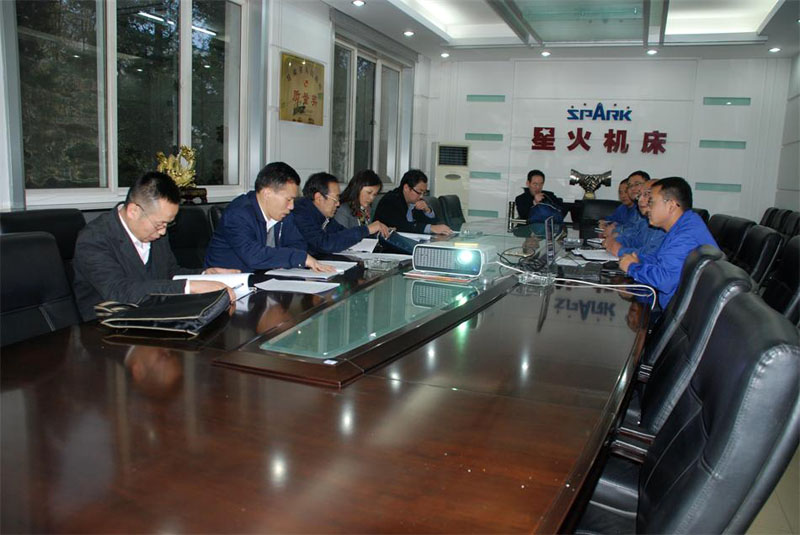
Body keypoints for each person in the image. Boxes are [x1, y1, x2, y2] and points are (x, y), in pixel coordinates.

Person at [73, 171, 237, 321]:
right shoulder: (93, 239)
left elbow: (170, 274)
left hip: (154, 318)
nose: (163, 232)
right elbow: (119, 291)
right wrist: (189, 286)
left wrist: (204, 275)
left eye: (167, 224)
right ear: (133, 211)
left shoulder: (155, 232)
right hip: (106, 329)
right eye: (159, 224)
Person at [204, 162, 334, 273]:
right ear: (267, 193)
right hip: (226, 285)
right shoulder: (238, 214)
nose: (292, 206)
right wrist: (299, 258)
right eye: (288, 199)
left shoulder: (283, 213)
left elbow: (298, 245)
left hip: (263, 280)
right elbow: (254, 256)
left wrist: (290, 259)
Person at [620, 176, 718, 309]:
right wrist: (638, 259)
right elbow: (661, 261)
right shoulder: (682, 226)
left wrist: (632, 267)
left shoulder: (685, 236)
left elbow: (666, 280)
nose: (648, 208)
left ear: (671, 206)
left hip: (680, 312)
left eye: (651, 202)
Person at [292, 172, 390, 255]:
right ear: (319, 198)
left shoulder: (325, 217)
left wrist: (377, 233)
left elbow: (341, 233)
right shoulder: (301, 214)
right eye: (335, 199)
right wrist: (366, 229)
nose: (338, 204)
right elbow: (325, 244)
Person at [373, 169, 453, 234]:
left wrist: (427, 210)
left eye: (424, 193)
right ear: (406, 188)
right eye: (419, 192)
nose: (421, 196)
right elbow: (402, 226)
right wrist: (430, 228)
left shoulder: (415, 201)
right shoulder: (390, 200)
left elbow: (433, 224)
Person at [604, 179, 665, 257]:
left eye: (646, 195)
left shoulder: (666, 226)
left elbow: (652, 255)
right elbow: (635, 239)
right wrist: (614, 241)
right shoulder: (646, 221)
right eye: (639, 196)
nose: (640, 200)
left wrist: (620, 250)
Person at [601, 171, 649, 238]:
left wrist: (615, 230)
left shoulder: (649, 208)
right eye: (630, 186)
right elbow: (631, 229)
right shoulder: (634, 207)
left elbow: (637, 232)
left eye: (637, 184)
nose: (632, 188)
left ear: (648, 184)